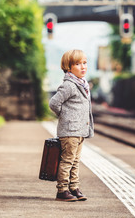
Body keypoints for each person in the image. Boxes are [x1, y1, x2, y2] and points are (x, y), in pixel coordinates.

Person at [49, 49, 94, 202]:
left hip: (80, 130)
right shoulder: (69, 85)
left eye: (85, 63)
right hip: (70, 130)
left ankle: (74, 187)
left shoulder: (82, 84)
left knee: (75, 161)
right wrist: (65, 116)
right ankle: (62, 190)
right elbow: (54, 103)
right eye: (78, 64)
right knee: (67, 160)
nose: (83, 67)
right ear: (69, 67)